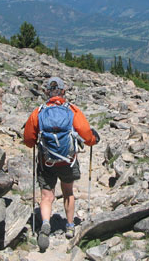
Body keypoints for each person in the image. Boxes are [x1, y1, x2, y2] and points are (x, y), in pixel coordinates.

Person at [23, 76, 100, 250]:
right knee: (68, 192)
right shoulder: (72, 110)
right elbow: (86, 134)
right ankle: (70, 226)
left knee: (46, 196)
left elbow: (28, 140)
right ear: (63, 92)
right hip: (68, 161)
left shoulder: (38, 112)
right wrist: (93, 140)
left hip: (46, 162)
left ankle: (44, 224)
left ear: (46, 92)